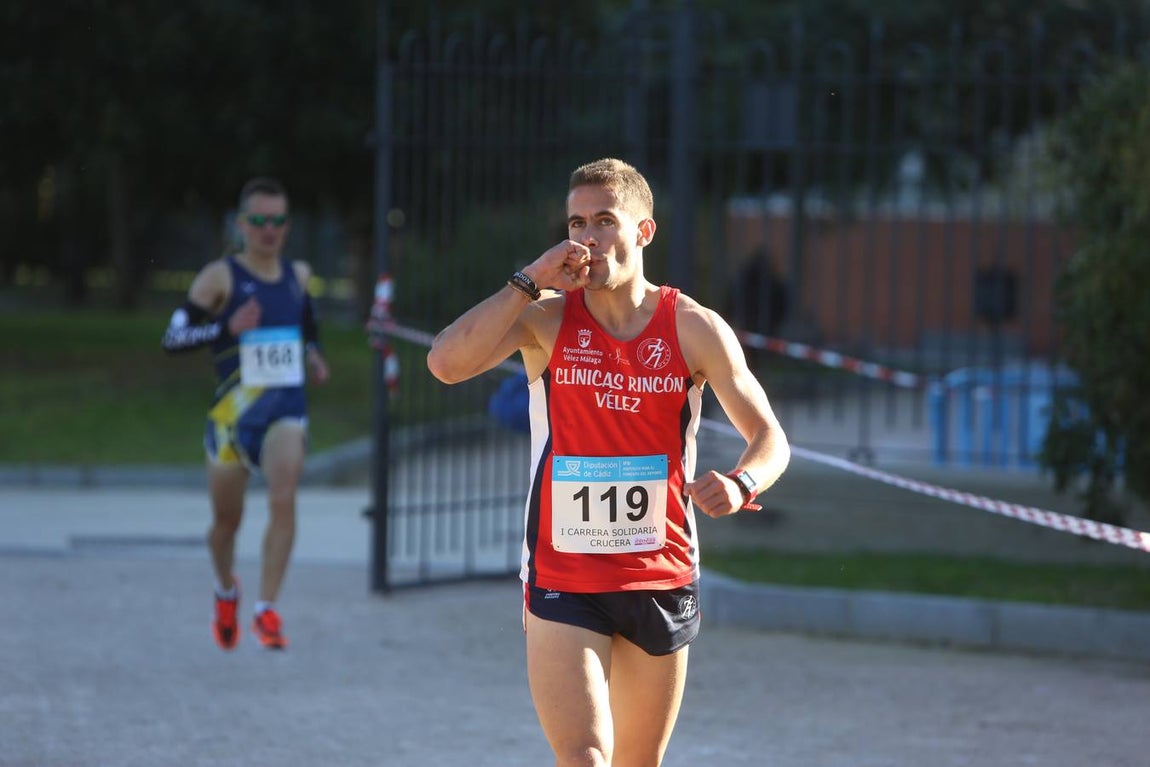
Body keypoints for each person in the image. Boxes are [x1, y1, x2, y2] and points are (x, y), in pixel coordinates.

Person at [426, 158, 790, 766]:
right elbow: (445, 364)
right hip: (563, 575)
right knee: (586, 756)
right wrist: (528, 281)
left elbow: (770, 437)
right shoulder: (544, 319)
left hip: (659, 572)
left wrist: (741, 480)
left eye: (603, 220)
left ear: (643, 230)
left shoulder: (694, 327)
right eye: (575, 222)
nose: (586, 238)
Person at [161, 177, 330, 651]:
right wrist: (225, 327)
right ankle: (226, 591)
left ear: (288, 225)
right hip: (232, 418)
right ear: (241, 224)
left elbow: (307, 325)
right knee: (225, 525)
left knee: (284, 491)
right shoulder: (220, 276)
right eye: (259, 221)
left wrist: (313, 354)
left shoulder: (297, 275)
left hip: (285, 411)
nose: (268, 230)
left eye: (277, 221)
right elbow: (172, 339)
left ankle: (266, 609)